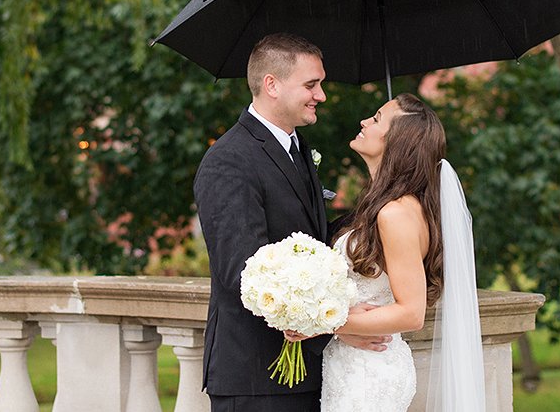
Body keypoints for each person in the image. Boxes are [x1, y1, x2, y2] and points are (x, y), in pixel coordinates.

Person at [193, 33, 389, 412]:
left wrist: (378, 211)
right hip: (257, 377)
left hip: (305, 376)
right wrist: (339, 322)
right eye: (311, 85)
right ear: (272, 85)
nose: (321, 95)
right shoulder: (228, 162)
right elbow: (243, 272)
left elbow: (310, 241)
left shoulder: (296, 148)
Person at [317, 92, 485, 412]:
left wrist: (328, 323)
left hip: (368, 377)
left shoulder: (395, 213)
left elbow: (412, 312)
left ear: (399, 140)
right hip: (354, 367)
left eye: (377, 118)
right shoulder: (388, 207)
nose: (364, 121)